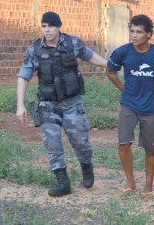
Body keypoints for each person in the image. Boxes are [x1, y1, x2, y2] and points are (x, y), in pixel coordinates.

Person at [16, 11, 108, 197]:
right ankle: (63, 182)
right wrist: (20, 104)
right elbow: (24, 76)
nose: (47, 30)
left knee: (80, 142)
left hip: (72, 103)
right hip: (48, 104)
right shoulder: (35, 49)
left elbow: (89, 56)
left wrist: (109, 64)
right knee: (52, 143)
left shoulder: (73, 42)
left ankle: (86, 167)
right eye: (44, 26)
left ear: (59, 27)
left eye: (51, 26)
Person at [106, 14, 154, 198]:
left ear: (149, 34)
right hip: (129, 105)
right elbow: (110, 71)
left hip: (151, 108)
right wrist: (123, 88)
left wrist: (151, 89)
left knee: (151, 149)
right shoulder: (122, 52)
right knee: (123, 144)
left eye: (139, 32)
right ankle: (130, 182)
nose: (134, 35)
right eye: (132, 31)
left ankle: (148, 187)